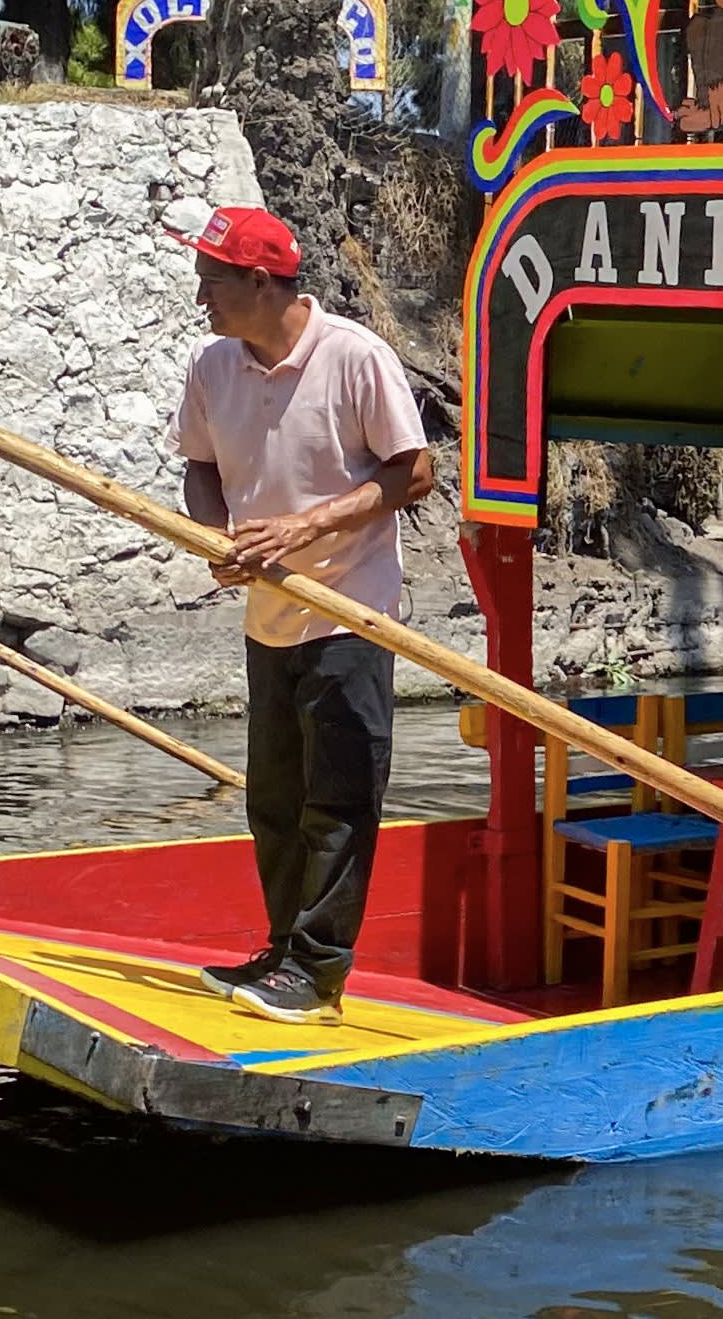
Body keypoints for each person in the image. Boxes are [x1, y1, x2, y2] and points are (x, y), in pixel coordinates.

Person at [165, 206, 432, 1025]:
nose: (201, 297)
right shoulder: (212, 366)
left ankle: (317, 972)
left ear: (260, 281)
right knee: (274, 801)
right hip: (269, 616)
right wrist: (216, 535)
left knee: (339, 799)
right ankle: (283, 951)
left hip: (351, 609)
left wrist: (304, 526)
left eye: (212, 281)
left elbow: (413, 473)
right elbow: (200, 468)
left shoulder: (354, 356)